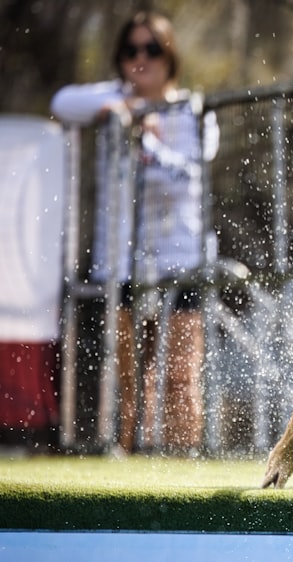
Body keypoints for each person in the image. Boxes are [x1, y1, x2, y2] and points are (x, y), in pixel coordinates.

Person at [51, 12, 217, 455]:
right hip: (122, 262)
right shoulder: (116, 101)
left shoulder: (194, 110)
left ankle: (184, 467)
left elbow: (189, 177)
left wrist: (148, 142)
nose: (141, 59)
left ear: (170, 56)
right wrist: (120, 110)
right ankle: (129, 471)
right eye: (131, 50)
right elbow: (63, 101)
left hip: (179, 261)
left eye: (152, 49)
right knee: (128, 379)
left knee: (180, 375)